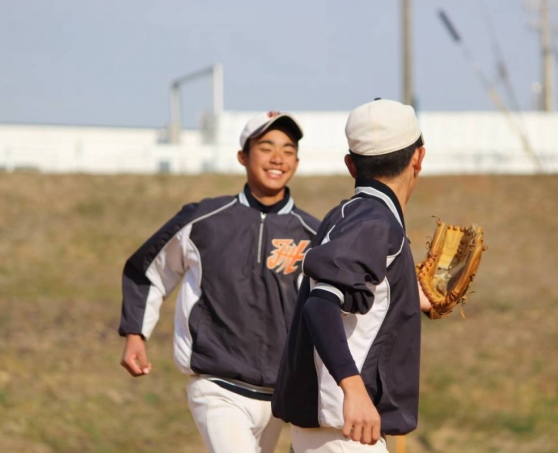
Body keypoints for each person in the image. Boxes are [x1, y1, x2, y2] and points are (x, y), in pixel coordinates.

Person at [118, 111, 321, 452]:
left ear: (296, 162)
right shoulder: (204, 219)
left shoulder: (315, 234)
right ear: (243, 156)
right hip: (216, 385)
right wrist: (136, 333)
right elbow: (150, 270)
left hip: (279, 394)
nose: (277, 158)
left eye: (288, 150)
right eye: (266, 147)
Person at [272, 98, 432, 452]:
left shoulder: (352, 216)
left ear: (351, 165)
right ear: (419, 158)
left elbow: (353, 298)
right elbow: (321, 304)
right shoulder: (375, 223)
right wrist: (354, 388)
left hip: (333, 430)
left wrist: (408, 294)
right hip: (347, 431)